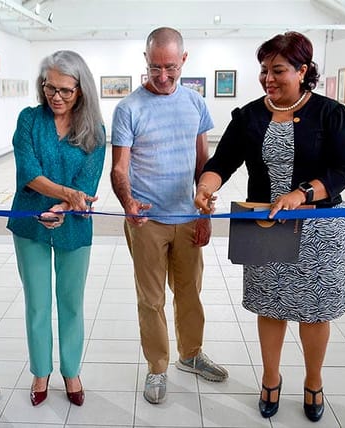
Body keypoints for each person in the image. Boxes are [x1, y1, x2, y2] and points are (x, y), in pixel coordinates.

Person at [194, 31, 345, 422]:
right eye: (264, 70)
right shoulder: (250, 116)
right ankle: (271, 379)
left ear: (303, 70)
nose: (269, 77)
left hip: (319, 228)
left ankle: (314, 381)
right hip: (265, 226)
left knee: (315, 312)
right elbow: (222, 163)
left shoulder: (330, 113)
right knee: (270, 307)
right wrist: (204, 187)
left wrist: (302, 193)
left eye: (279, 70)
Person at [110, 27, 229, 405]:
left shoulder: (195, 104)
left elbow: (202, 163)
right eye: (155, 67)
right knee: (151, 298)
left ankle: (191, 354)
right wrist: (127, 201)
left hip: (188, 218)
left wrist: (205, 210)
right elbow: (119, 168)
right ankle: (157, 367)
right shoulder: (128, 108)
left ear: (184, 61)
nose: (162, 76)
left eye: (171, 68)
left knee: (190, 292)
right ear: (145, 62)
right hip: (146, 222)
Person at [7, 50, 106, 407]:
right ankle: (40, 371)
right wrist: (65, 195)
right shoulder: (30, 120)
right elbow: (28, 173)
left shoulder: (94, 129)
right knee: (37, 303)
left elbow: (89, 180)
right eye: (50, 88)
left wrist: (66, 205)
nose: (57, 97)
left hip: (74, 226)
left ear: (81, 90)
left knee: (71, 303)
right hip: (30, 224)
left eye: (66, 90)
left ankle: (71, 371)